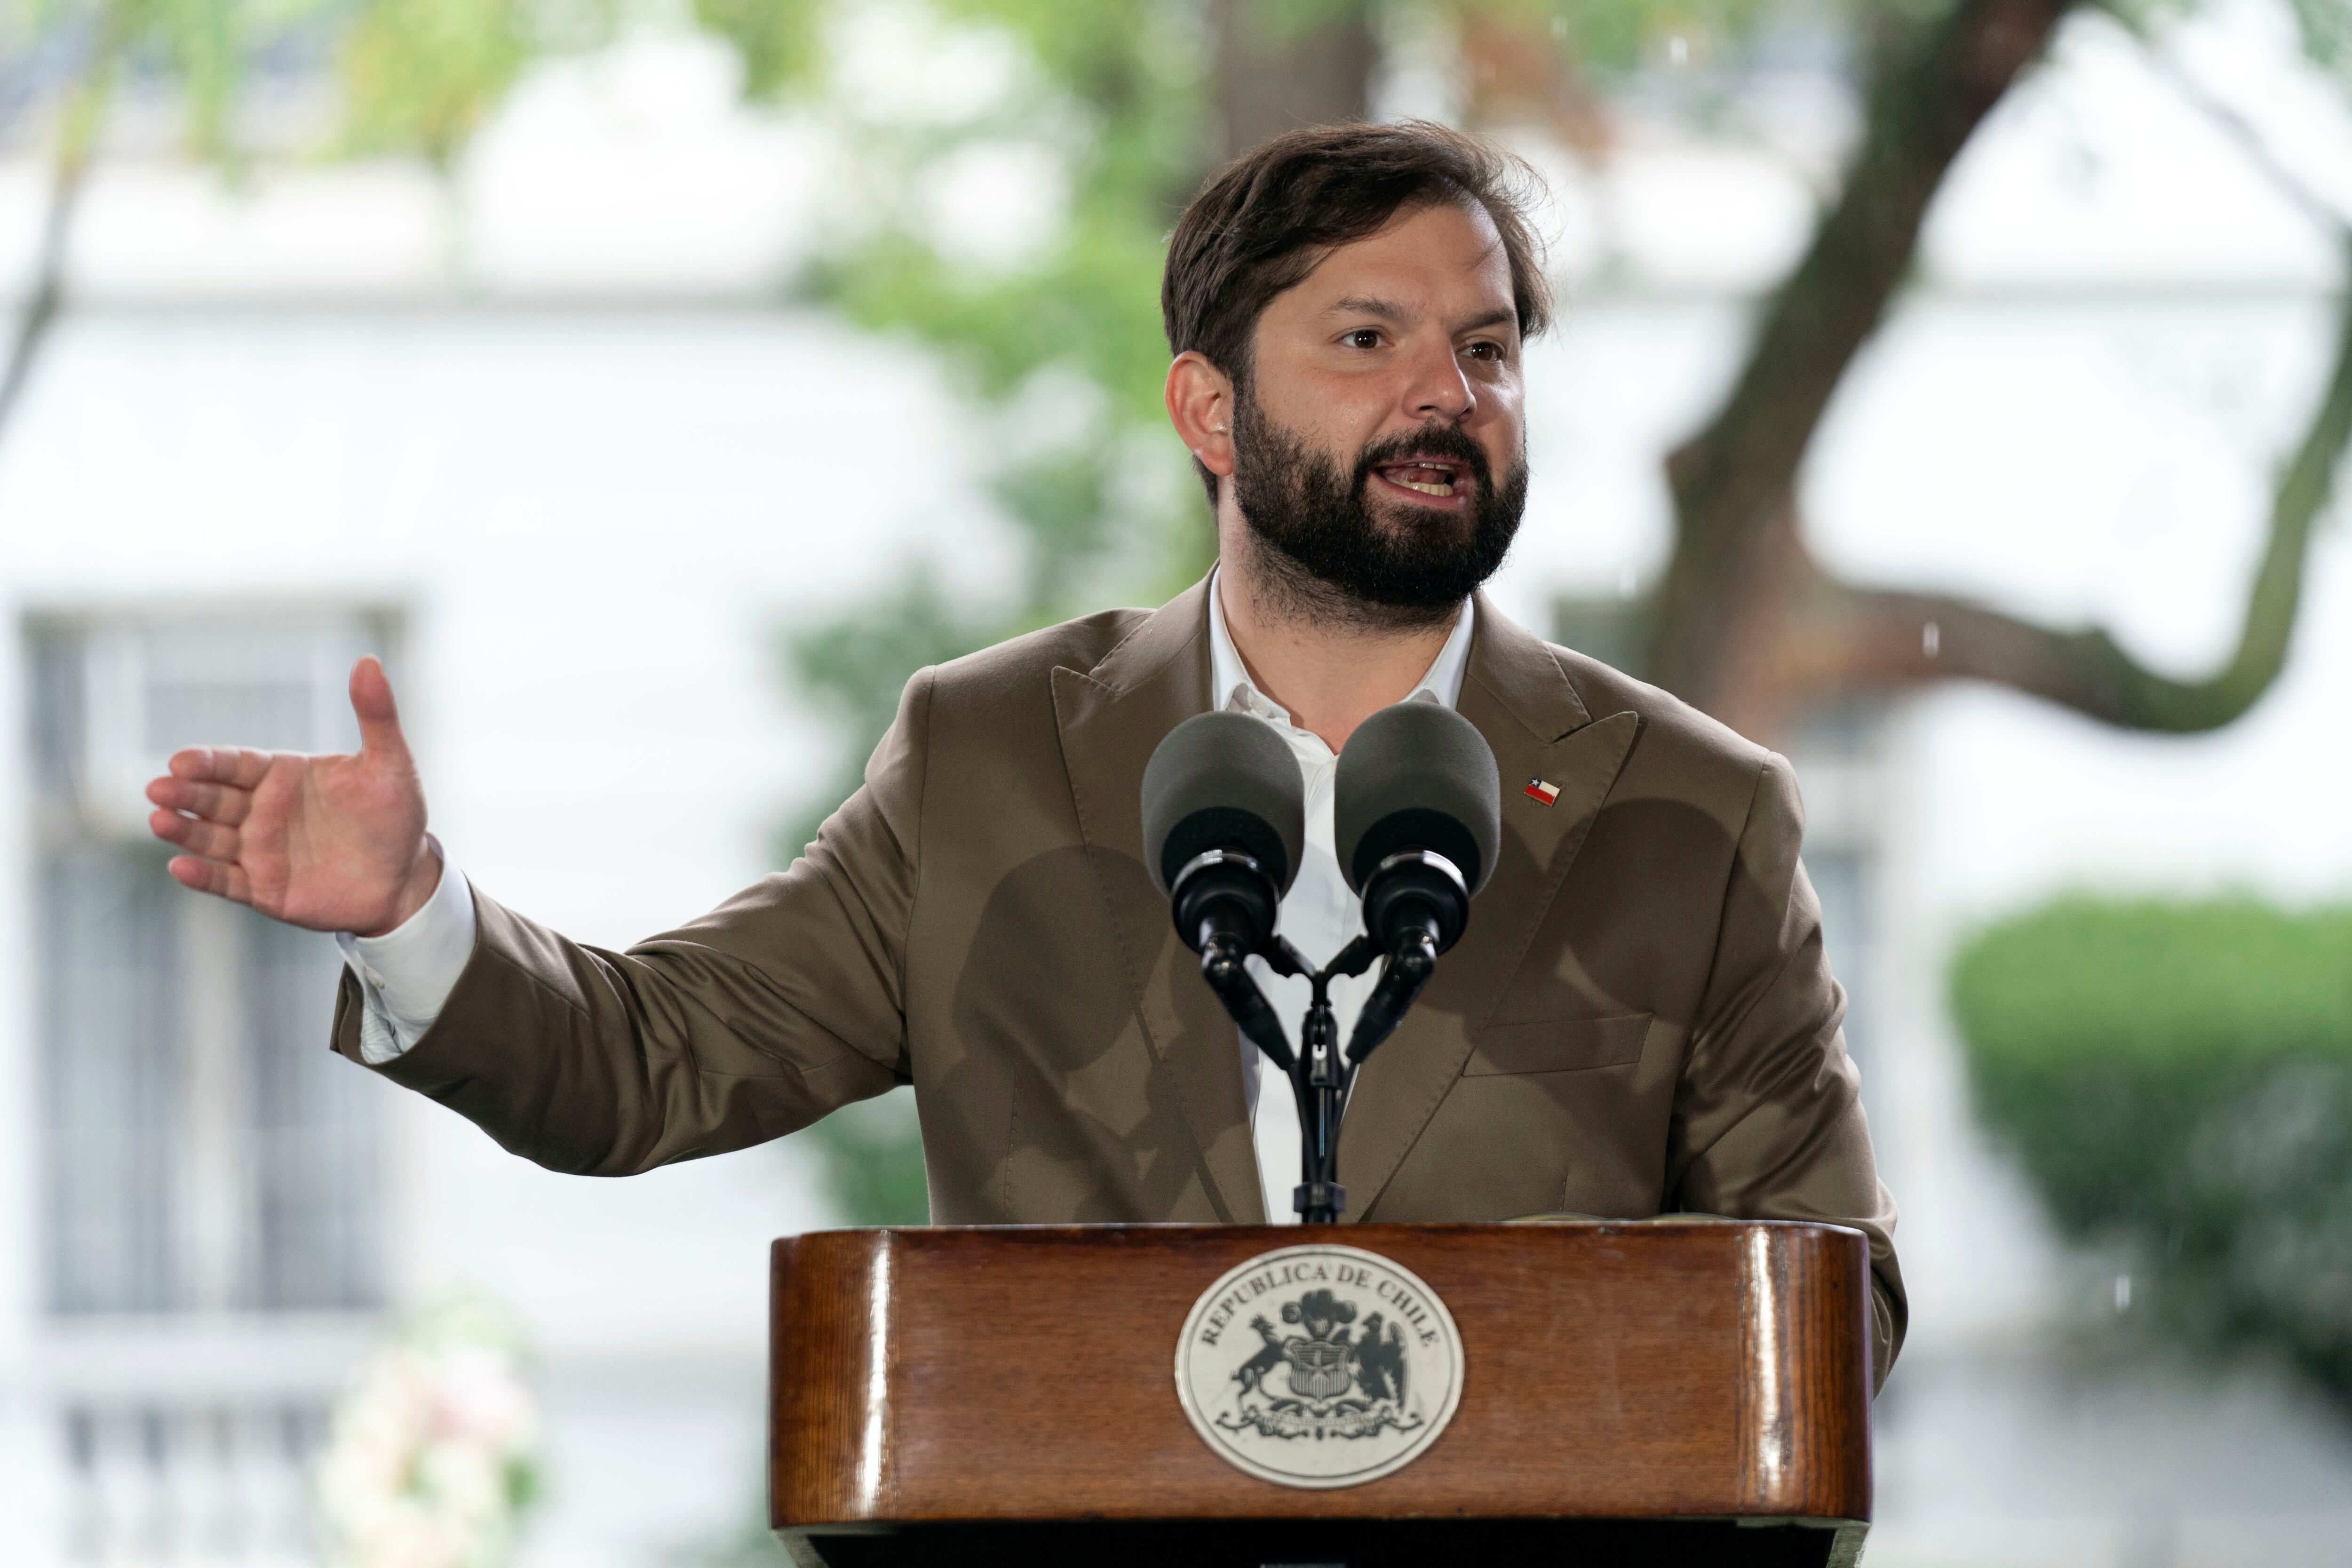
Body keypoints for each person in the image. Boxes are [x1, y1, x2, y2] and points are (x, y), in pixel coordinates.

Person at [146, 121, 1903, 1385]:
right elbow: (651, 1059)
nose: (1446, 395)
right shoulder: (987, 756)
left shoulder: (1694, 807)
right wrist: (414, 916)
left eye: (1490, 350)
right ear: (1211, 411)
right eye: (1369, 340)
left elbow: (1833, 1306)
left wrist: (1536, 1391)